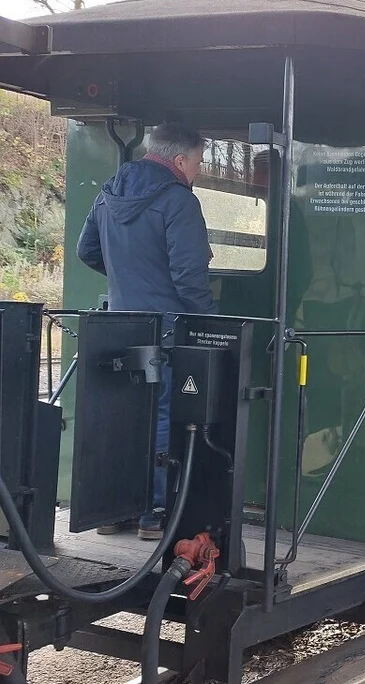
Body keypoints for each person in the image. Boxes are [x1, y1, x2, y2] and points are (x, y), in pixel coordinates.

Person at [77, 122, 217, 540]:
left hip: (121, 324)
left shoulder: (108, 192)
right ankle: (153, 513)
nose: (199, 169)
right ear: (181, 160)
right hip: (167, 328)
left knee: (123, 414)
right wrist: (210, 320)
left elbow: (87, 250)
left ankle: (111, 510)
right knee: (162, 415)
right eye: (199, 162)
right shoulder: (179, 201)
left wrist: (128, 278)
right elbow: (190, 277)